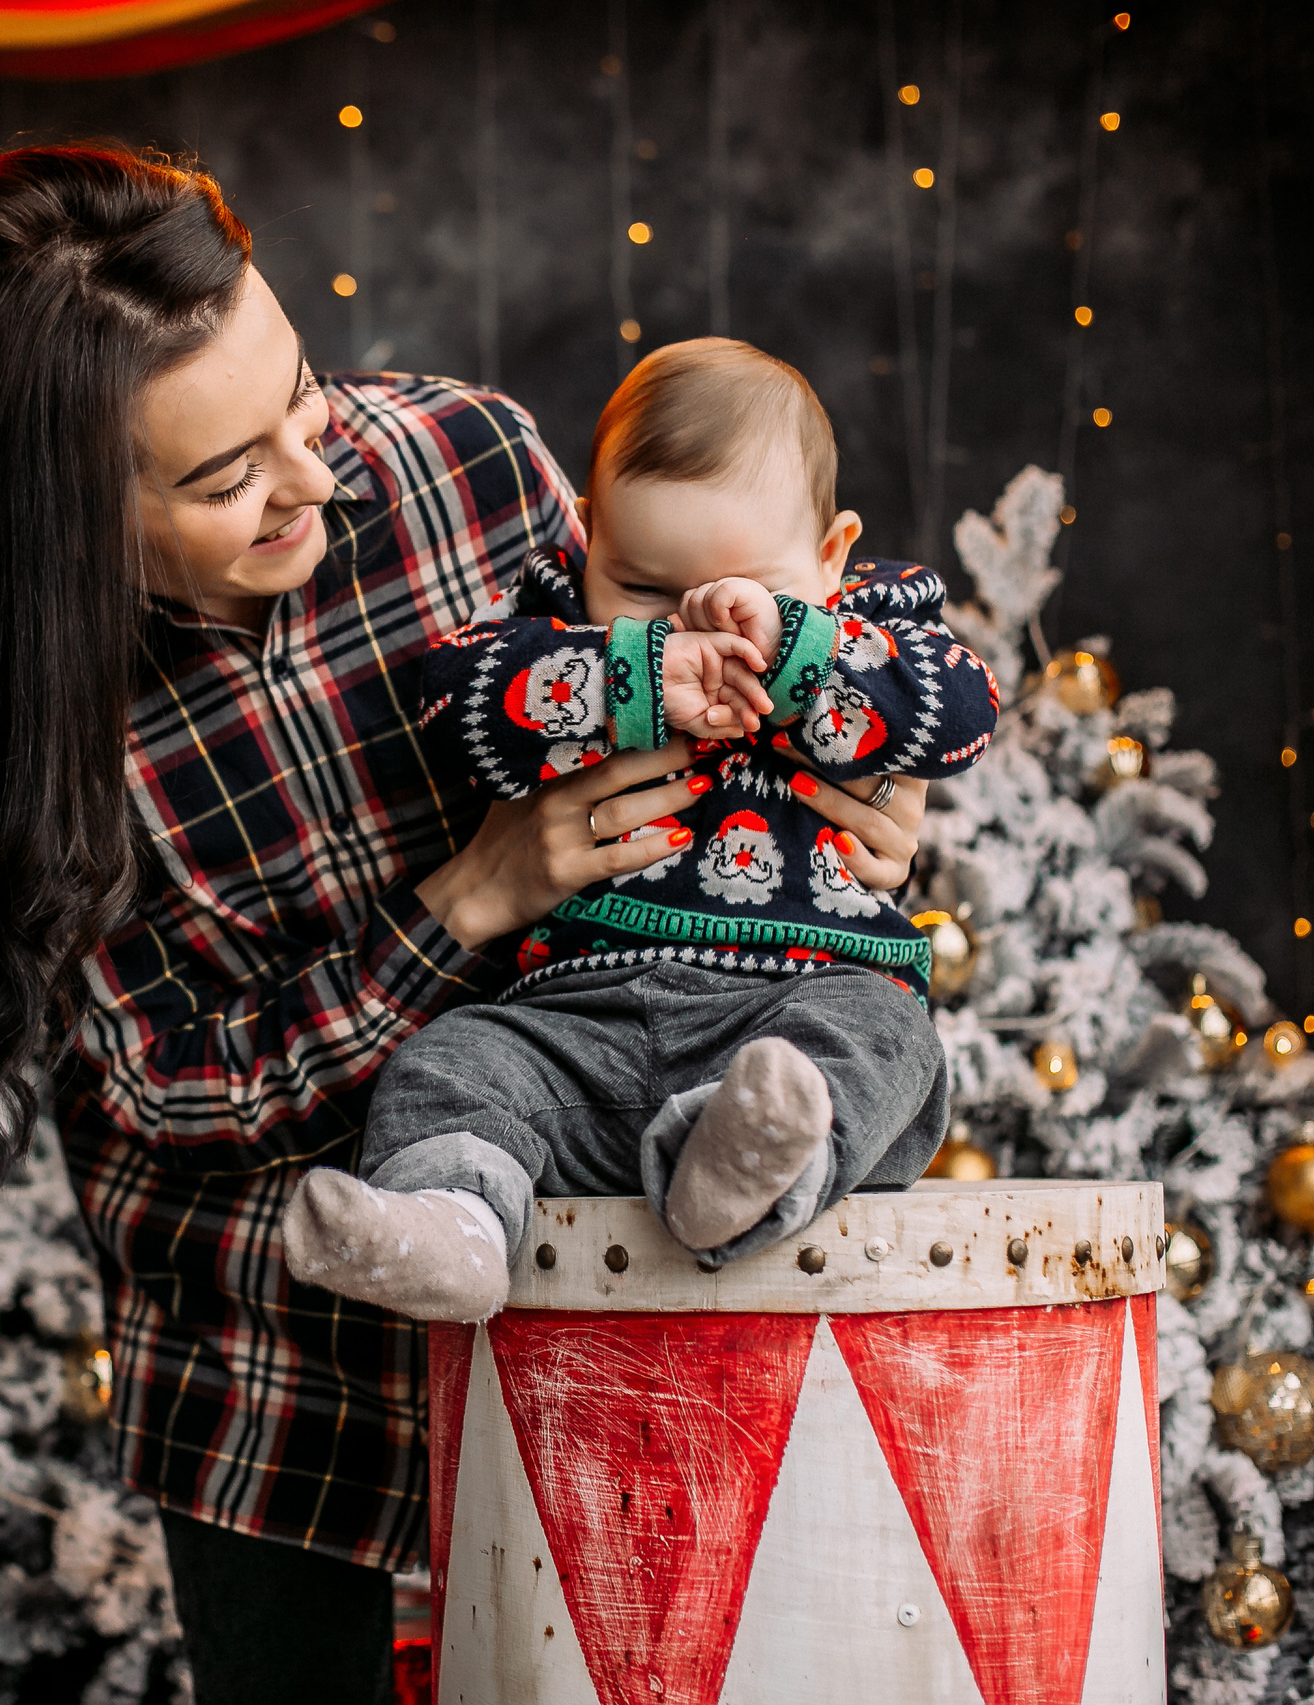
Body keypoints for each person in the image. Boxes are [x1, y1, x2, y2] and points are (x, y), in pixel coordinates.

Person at [0, 150, 927, 1705]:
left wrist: (858, 807)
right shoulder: (13, 716)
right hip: (271, 1372)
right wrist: (464, 903)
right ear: (55, 518)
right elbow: (173, 1091)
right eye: (219, 479)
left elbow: (700, 716)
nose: (316, 477)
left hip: (580, 1290)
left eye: (300, 398)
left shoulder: (469, 461)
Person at [282, 338, 1000, 1324]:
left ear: (830, 556)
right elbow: (453, 707)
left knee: (886, 1034)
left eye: (750, 589)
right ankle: (451, 1223)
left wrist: (792, 650)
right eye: (646, 591)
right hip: (577, 1024)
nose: (698, 630)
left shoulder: (868, 627)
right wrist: (627, 672)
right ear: (587, 538)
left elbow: (963, 706)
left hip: (794, 1008)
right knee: (451, 1061)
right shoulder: (554, 626)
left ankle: (744, 1170)